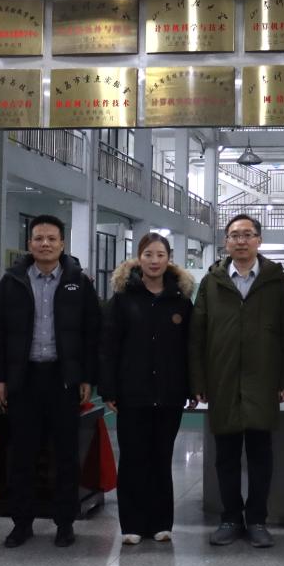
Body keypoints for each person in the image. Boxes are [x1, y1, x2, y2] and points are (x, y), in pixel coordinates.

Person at [0, 214, 101, 548]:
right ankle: (22, 523)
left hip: (63, 379)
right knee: (22, 454)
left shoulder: (78, 282)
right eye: (38, 238)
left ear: (62, 243)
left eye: (51, 238)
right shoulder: (12, 282)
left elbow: (92, 333)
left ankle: (65, 522)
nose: (45, 244)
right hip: (24, 380)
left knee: (66, 455)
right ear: (29, 244)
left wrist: (87, 377)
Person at [189, 214, 284, 548]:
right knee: (226, 457)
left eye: (248, 234)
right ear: (226, 242)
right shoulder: (212, 282)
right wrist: (199, 380)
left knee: (261, 456)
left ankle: (258, 520)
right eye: (235, 235)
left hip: (263, 382)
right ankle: (230, 518)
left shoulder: (277, 282)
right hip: (222, 381)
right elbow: (197, 335)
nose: (241, 240)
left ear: (259, 241)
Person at [99, 233, 195, 545]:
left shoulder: (181, 300)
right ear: (139, 258)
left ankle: (161, 522)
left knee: (161, 457)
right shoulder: (123, 299)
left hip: (169, 393)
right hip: (132, 392)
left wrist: (192, 387)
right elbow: (109, 347)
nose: (154, 261)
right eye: (148, 255)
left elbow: (191, 348)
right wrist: (109, 389)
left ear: (169, 259)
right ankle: (132, 523)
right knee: (133, 458)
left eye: (160, 255)